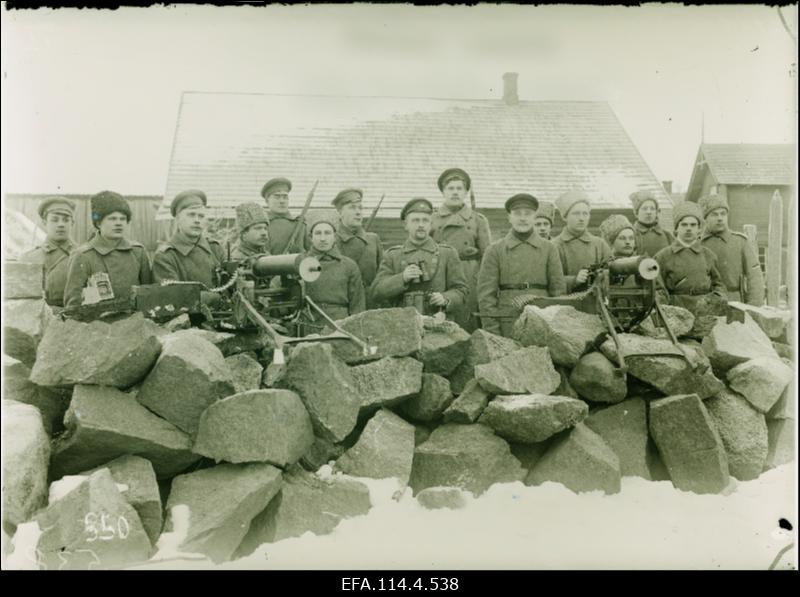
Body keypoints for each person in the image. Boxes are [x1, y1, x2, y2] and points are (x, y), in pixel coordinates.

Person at [477, 193, 566, 337]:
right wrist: (493, 332)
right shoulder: (495, 250)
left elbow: (558, 292)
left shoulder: (549, 249)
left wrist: (555, 328)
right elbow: (486, 297)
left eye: (528, 213)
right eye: (517, 213)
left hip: (542, 321)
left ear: (534, 216)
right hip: (507, 322)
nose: (523, 218)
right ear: (509, 217)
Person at [371, 198, 468, 319]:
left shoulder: (447, 254)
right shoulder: (393, 255)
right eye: (415, 220)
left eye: (425, 220)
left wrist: (445, 298)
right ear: (406, 225)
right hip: (402, 322)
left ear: (431, 224)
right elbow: (376, 292)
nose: (421, 225)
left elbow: (461, 291)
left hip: (438, 321)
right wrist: (402, 278)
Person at [63, 191, 152, 308]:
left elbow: (149, 295)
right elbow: (73, 305)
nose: (118, 223)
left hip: (135, 318)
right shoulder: (83, 256)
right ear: (99, 223)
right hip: (96, 319)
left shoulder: (138, 252)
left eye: (123, 219)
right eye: (112, 219)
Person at [430, 168, 492, 331]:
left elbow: (487, 257)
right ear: (443, 192)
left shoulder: (478, 220)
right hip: (441, 274)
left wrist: (482, 282)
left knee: (469, 321)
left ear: (465, 192)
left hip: (469, 276)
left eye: (459, 188)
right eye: (450, 188)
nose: (455, 192)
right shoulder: (432, 219)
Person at [654, 201, 726, 315]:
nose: (689, 229)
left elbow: (718, 285)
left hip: (704, 312)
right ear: (676, 228)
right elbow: (658, 289)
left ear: (699, 229)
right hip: (675, 312)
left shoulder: (708, 255)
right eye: (684, 225)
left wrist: (712, 302)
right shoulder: (663, 256)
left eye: (693, 225)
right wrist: (668, 309)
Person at [699, 193, 765, 306]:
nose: (720, 218)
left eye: (723, 214)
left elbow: (754, 278)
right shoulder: (698, 244)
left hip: (735, 303)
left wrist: (753, 307)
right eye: (714, 214)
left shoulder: (740, 242)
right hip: (706, 303)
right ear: (705, 218)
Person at [302, 213, 365, 327]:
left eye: (327, 233)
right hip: (309, 323)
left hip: (340, 324)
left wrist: (354, 327)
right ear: (311, 237)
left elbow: (357, 304)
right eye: (318, 233)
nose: (322, 238)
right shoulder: (300, 263)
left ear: (335, 237)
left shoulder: (349, 265)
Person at [152, 189, 225, 287]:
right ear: (178, 219)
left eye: (201, 216)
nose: (197, 220)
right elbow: (173, 294)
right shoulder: (165, 256)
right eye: (191, 215)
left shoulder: (215, 249)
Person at [20, 196, 78, 308]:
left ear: (72, 223)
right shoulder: (29, 258)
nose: (61, 224)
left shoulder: (85, 256)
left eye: (66, 220)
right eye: (54, 220)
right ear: (44, 222)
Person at [551, 188, 612, 292]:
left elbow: (612, 272)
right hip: (565, 299)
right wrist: (573, 280)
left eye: (585, 213)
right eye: (576, 213)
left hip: (596, 298)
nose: (581, 218)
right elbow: (551, 279)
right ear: (565, 217)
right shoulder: (554, 246)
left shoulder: (600, 244)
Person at [332, 188, 383, 306]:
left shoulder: (373, 240)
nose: (358, 212)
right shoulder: (331, 241)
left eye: (360, 208)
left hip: (371, 305)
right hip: (342, 305)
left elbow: (382, 277)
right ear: (340, 212)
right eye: (352, 208)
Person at [261, 177, 308, 254]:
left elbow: (312, 252)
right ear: (267, 200)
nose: (282, 201)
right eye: (277, 197)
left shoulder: (300, 224)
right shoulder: (261, 225)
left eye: (285, 197)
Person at [630, 190, 673, 257]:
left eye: (652, 208)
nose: (649, 212)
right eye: (644, 208)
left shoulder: (667, 235)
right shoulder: (631, 235)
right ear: (636, 212)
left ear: (656, 212)